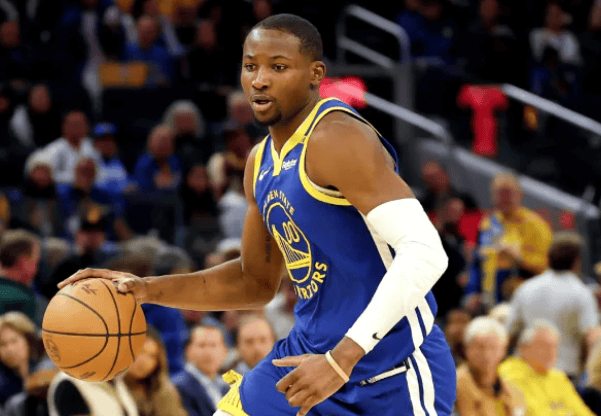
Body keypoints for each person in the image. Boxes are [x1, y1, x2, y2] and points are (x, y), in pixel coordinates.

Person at [59, 13, 455, 416]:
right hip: (303, 359)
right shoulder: (259, 163)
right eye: (251, 66)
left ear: (315, 74)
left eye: (278, 67)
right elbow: (254, 281)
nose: (260, 80)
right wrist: (145, 290)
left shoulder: (337, 137)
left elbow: (426, 252)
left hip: (389, 369)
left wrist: (342, 359)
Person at [505, 231, 600, 381]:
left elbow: (510, 331)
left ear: (548, 257)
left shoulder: (526, 288)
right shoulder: (582, 293)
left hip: (526, 369)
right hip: (565, 372)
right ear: (577, 261)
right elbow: (591, 337)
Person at [498, 321, 595, 416]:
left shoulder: (558, 377)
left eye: (554, 347)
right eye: (543, 346)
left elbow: (583, 412)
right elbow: (530, 412)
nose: (551, 352)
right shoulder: (510, 372)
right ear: (523, 348)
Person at [455, 317, 524, 416]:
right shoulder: (454, 385)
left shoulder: (513, 392)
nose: (486, 355)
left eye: (493, 347)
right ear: (467, 349)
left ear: (503, 350)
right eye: (480, 347)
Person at [123, 326, 188, 416]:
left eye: (152, 356)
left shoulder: (163, 390)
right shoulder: (111, 385)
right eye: (140, 352)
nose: (144, 361)